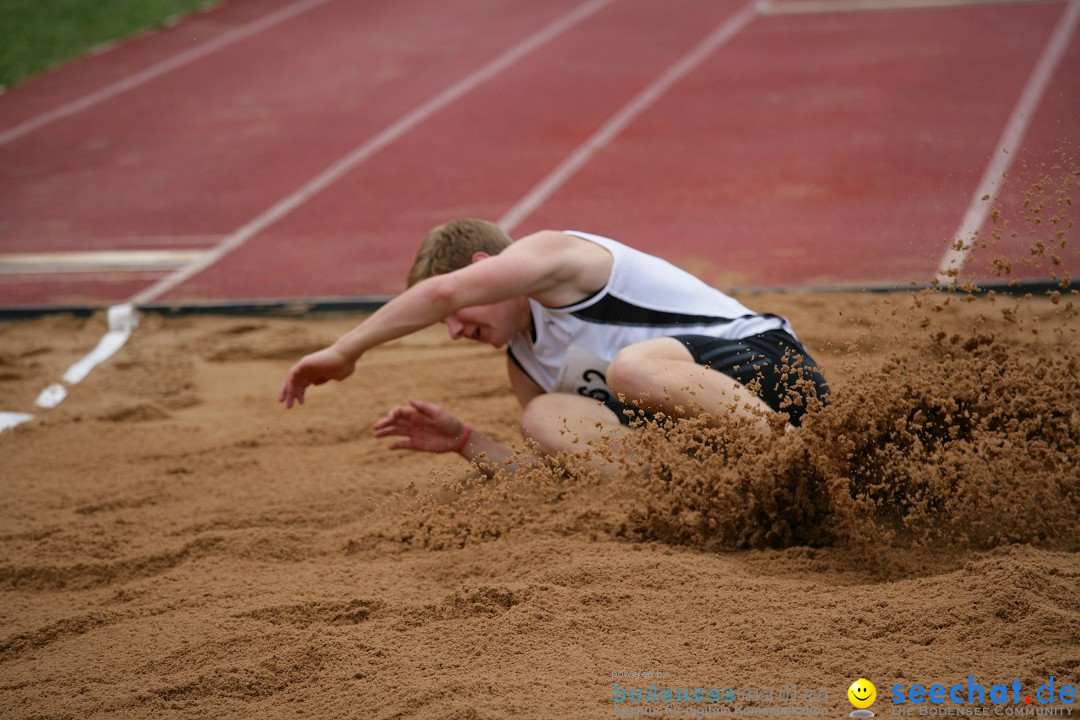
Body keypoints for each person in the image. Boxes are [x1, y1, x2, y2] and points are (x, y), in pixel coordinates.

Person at [279, 219, 829, 474]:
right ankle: (685, 503)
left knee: (630, 370)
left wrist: (346, 350)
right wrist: (465, 440)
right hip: (713, 439)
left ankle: (805, 466)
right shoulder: (526, 363)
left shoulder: (559, 258)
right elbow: (554, 471)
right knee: (544, 416)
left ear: (485, 271)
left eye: (453, 316)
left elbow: (443, 289)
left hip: (770, 370)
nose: (453, 331)